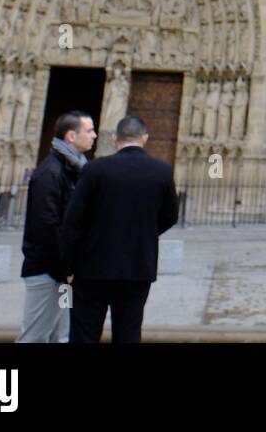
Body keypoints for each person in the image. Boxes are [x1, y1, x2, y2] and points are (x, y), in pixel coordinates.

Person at [60, 116, 179, 343]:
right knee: (128, 335)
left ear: (115, 138)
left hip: (92, 268)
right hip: (137, 268)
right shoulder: (162, 171)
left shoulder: (95, 169)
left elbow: (72, 221)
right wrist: (144, 233)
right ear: (145, 138)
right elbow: (171, 216)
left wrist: (68, 265)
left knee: (84, 334)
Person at [18, 112, 96, 342]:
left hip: (64, 275)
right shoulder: (50, 172)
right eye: (89, 130)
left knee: (62, 335)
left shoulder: (74, 170)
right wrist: (66, 266)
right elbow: (46, 226)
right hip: (48, 272)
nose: (95, 135)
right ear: (72, 136)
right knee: (35, 336)